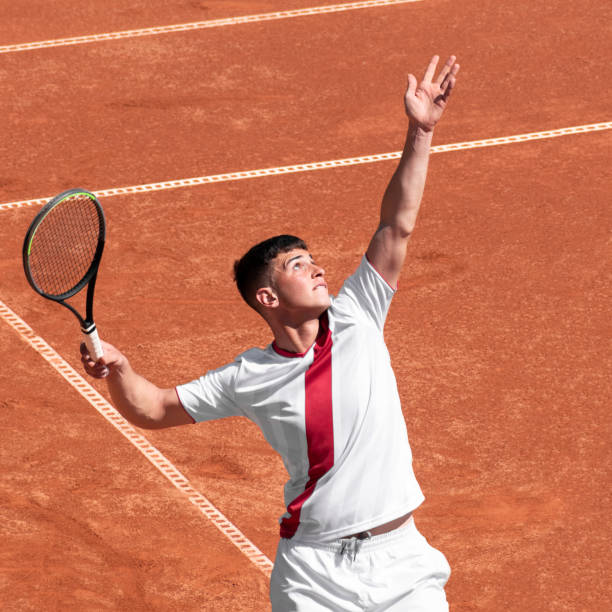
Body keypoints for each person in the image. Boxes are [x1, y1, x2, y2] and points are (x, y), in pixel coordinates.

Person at [81, 54, 460, 611]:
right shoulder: (248, 375)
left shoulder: (358, 313)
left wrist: (420, 131)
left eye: (314, 260)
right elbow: (154, 410)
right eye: (299, 266)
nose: (318, 269)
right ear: (268, 297)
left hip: (403, 560)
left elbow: (395, 226)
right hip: (314, 575)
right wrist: (119, 369)